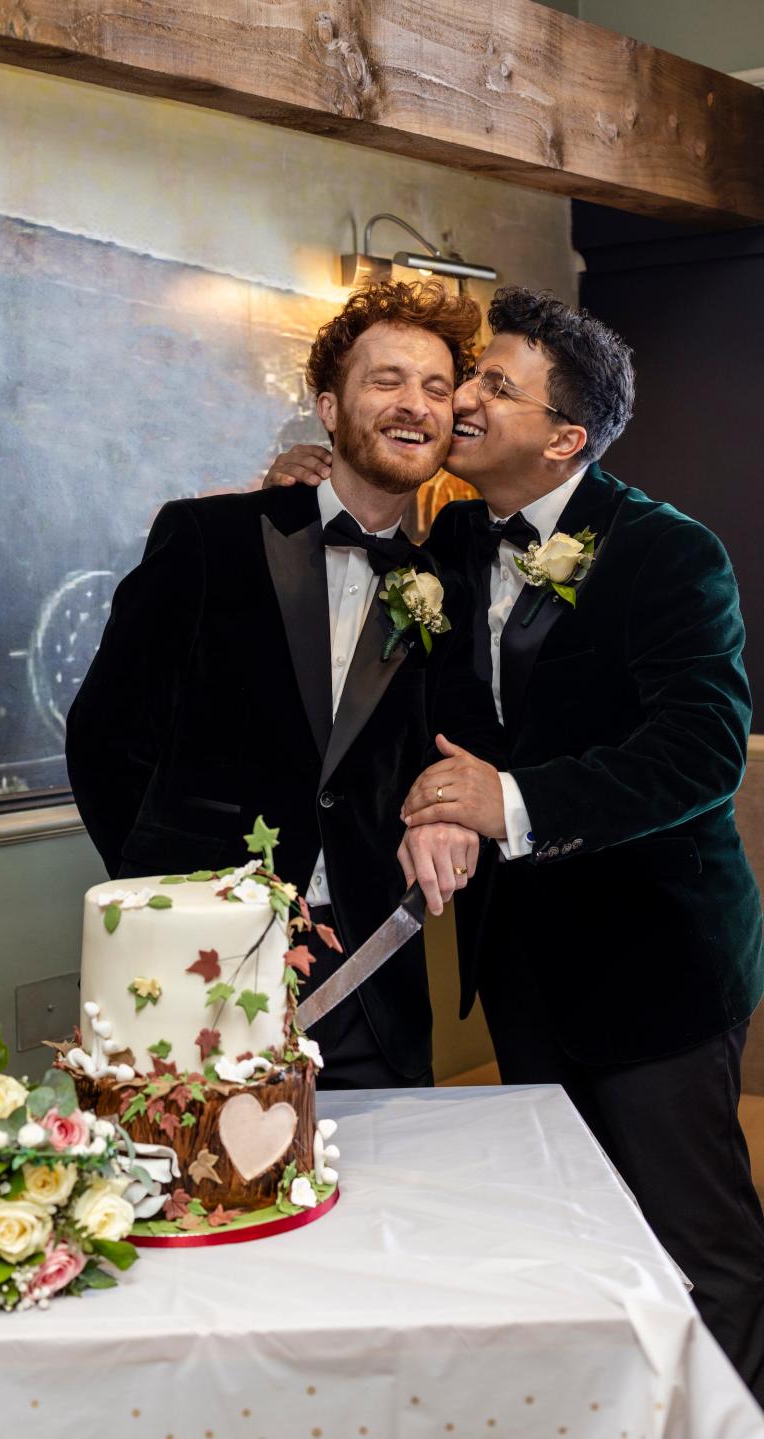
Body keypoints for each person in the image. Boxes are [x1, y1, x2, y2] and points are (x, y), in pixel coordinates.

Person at [265, 284, 764, 1400]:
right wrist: (313, 488)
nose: (465, 397)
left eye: (493, 382)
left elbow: (699, 753)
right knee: (575, 1222)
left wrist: (512, 801)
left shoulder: (667, 553)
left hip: (657, 956)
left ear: (566, 435)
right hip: (521, 957)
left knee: (697, 1239)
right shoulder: (445, 543)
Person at [66, 280, 502, 1090]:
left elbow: (466, 730)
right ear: (329, 408)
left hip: (371, 964)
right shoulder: (208, 538)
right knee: (201, 1190)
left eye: (436, 388)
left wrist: (452, 810)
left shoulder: (453, 577)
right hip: (202, 951)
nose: (415, 404)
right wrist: (170, 897)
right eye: (387, 380)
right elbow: (104, 737)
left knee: (382, 1199)